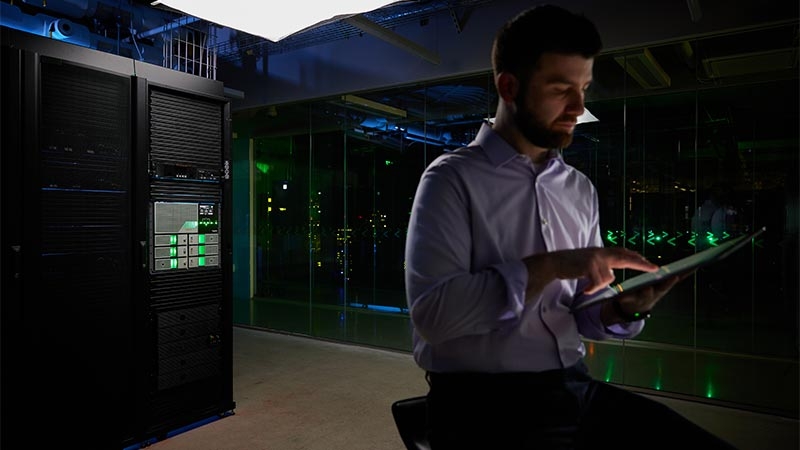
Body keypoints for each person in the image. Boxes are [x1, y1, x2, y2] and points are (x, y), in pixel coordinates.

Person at [403, 5, 738, 450]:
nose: (579, 107)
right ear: (509, 86)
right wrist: (559, 263)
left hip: (574, 389)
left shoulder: (578, 188)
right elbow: (433, 318)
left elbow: (583, 312)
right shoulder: (450, 179)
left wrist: (622, 310)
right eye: (562, 89)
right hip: (480, 407)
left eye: (583, 89)